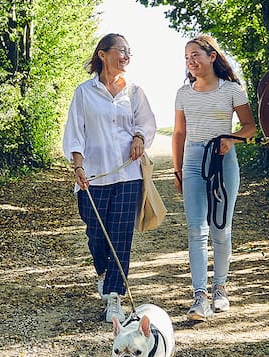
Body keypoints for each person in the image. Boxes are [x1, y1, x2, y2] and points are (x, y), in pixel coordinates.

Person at [63, 33, 157, 323]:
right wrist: (77, 167)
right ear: (103, 54)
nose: (127, 56)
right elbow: (75, 132)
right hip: (92, 176)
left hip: (129, 175)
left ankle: (115, 297)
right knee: (96, 234)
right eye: (121, 51)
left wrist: (140, 137)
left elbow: (146, 122)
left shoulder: (135, 90)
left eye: (130, 51)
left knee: (120, 236)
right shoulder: (84, 92)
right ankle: (104, 272)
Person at [171, 34, 257, 321]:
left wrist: (231, 139)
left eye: (195, 54)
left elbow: (249, 127)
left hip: (223, 161)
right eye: (186, 57)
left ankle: (220, 288)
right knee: (196, 229)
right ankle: (199, 296)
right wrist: (178, 170)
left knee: (221, 228)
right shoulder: (184, 93)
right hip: (194, 159)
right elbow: (180, 134)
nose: (190, 61)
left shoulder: (231, 89)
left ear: (212, 57)